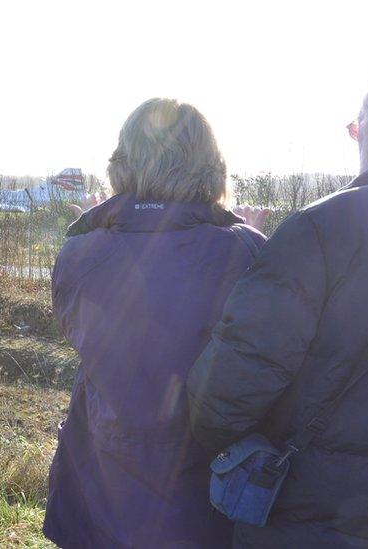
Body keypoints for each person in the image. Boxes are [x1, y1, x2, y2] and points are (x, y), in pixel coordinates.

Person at [187, 58, 368, 548]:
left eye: (356, 125)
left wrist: (216, 443)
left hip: (305, 519)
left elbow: (229, 387)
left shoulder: (318, 230)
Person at [42, 98, 268, 548]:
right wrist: (257, 240)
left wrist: (98, 228)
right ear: (211, 166)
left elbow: (75, 325)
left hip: (100, 486)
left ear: (123, 163)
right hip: (202, 494)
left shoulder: (79, 254)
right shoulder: (246, 252)